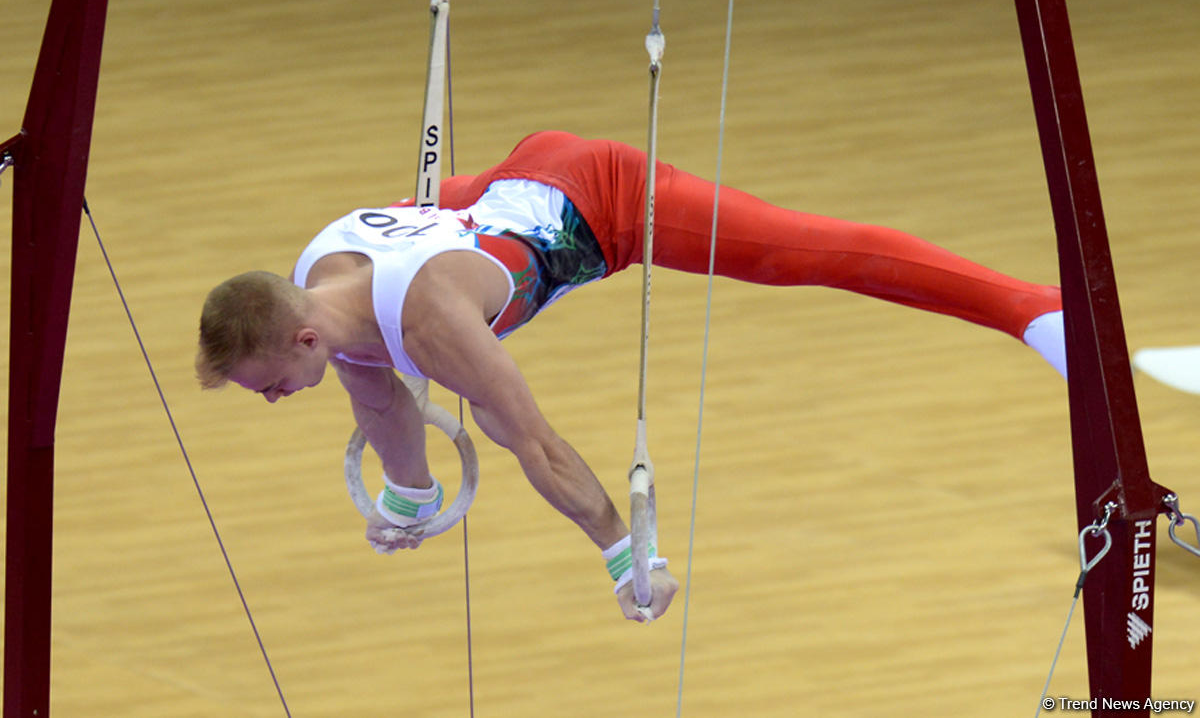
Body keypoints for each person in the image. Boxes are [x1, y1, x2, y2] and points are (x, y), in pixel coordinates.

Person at [196, 130, 1066, 622]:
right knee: (390, 348)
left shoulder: (427, 325)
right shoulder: (321, 275)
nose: (270, 402)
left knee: (803, 252)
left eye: (266, 383)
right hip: (487, 195)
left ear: (303, 341)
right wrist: (410, 499)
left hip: (599, 200)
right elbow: (378, 403)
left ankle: (1031, 310)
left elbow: (533, 444)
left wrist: (625, 553)